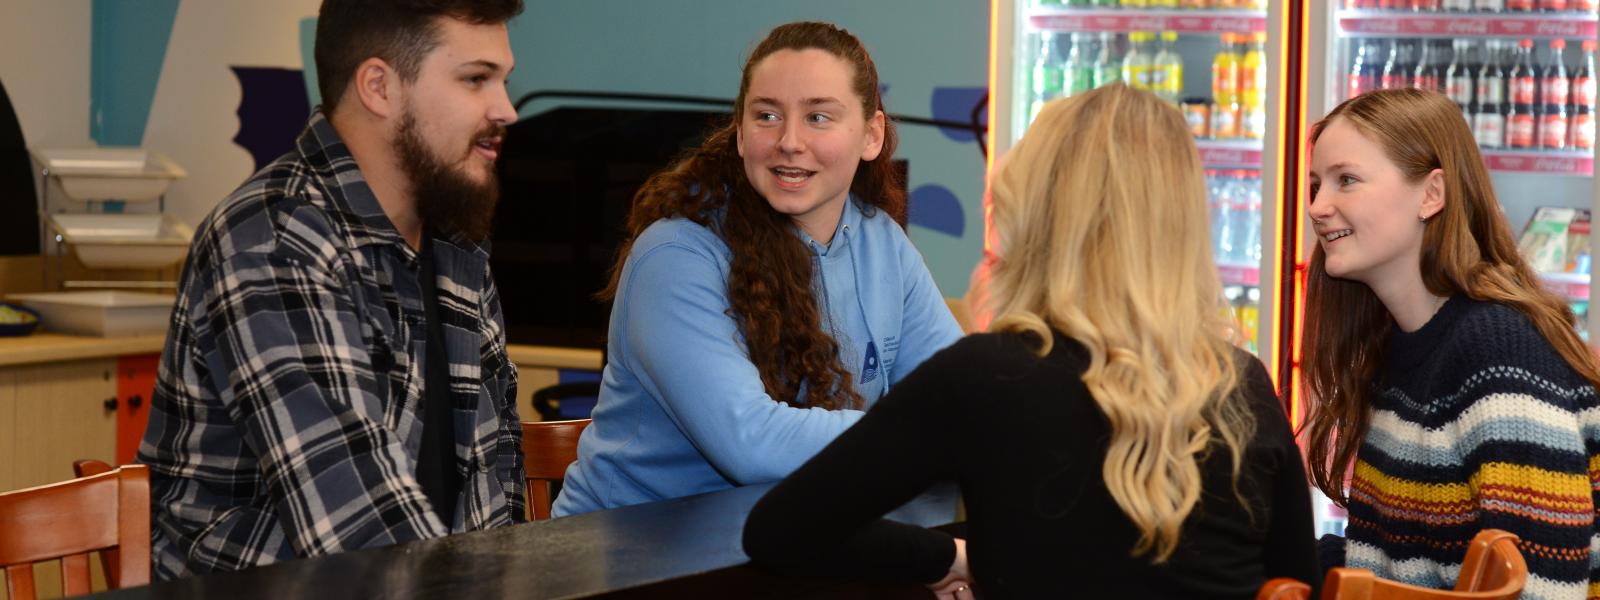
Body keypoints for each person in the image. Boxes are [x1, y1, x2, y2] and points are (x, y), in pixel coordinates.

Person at [742, 84, 1319, 599]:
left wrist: (942, 557)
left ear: (1039, 212)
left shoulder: (985, 376)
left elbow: (780, 531)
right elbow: (1296, 581)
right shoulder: (1242, 381)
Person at [138, 0, 525, 579]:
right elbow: (360, 530)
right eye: (476, 79)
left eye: (503, 80)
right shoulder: (275, 239)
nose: (507, 109)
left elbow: (494, 495)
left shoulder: (454, 242)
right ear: (379, 87)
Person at [550, 21, 963, 517]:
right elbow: (751, 443)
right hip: (629, 562)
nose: (789, 140)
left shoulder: (882, 242)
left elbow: (956, 395)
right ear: (741, 134)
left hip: (786, 550)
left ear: (871, 135)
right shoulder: (675, 256)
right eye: (767, 115)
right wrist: (926, 433)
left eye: (818, 117)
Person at [1300, 88, 1600, 599]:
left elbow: (1543, 590)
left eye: (1345, 180)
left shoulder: (1500, 352)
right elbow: (1391, 564)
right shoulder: (1399, 345)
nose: (1317, 207)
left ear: (1431, 194)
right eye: (1315, 185)